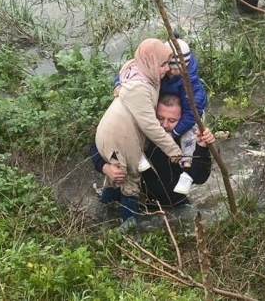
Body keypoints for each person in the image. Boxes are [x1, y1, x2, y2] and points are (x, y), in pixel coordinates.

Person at [95, 39, 183, 220]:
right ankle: (130, 226)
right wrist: (173, 149)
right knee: (131, 181)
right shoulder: (139, 88)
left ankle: (102, 213)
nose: (167, 69)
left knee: (117, 177)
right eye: (163, 64)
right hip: (119, 136)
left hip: (112, 132)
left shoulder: (137, 71)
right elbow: (150, 125)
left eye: (168, 63)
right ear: (150, 63)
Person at [90, 93, 216, 210]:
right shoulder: (142, 129)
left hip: (172, 204)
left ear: (182, 120)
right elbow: (98, 146)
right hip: (134, 197)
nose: (165, 125)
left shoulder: (186, 140)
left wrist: (202, 147)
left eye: (172, 121)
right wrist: (105, 167)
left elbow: (199, 178)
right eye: (160, 118)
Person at [161, 35, 208, 195]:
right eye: (169, 66)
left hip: (190, 116)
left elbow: (191, 115)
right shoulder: (163, 70)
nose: (171, 72)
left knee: (189, 138)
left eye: (176, 69)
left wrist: (173, 133)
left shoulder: (191, 83)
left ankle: (187, 172)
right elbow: (132, 70)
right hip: (168, 106)